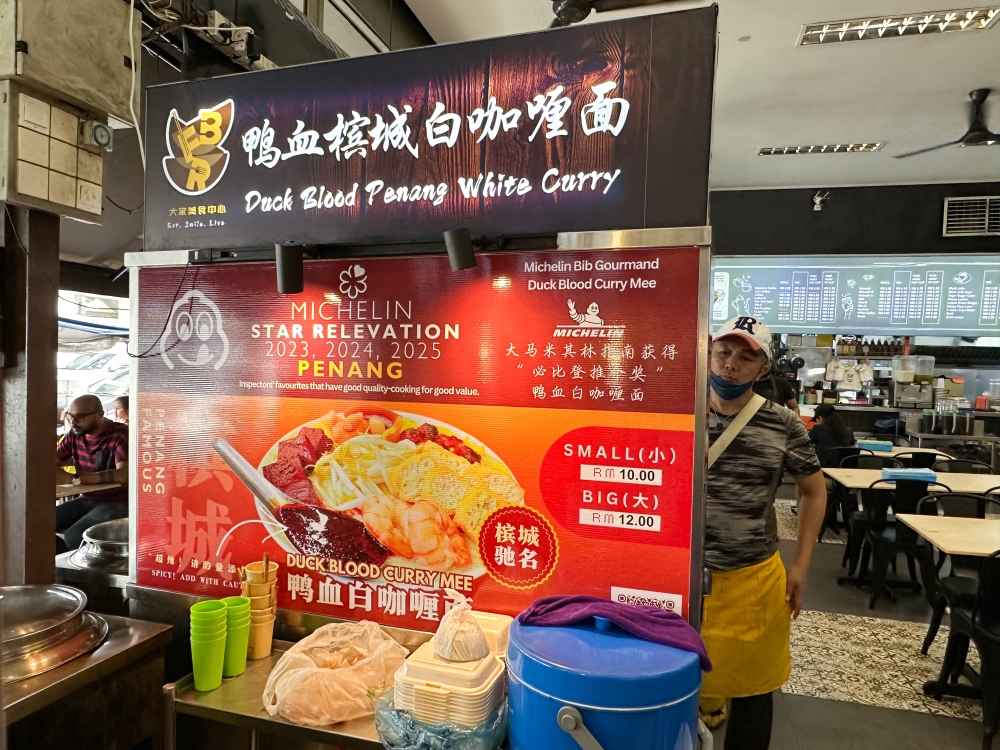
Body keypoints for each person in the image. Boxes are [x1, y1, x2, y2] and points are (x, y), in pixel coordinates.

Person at [700, 316, 827, 750]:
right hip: (676, 581)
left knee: (754, 692)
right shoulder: (677, 410)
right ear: (709, 352)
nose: (731, 363)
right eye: (724, 350)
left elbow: (814, 491)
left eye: (746, 355)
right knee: (672, 689)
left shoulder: (782, 424)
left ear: (764, 367)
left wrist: (802, 565)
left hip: (750, 580)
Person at [56, 394, 129, 551]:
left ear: (100, 415)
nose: (73, 422)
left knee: (73, 536)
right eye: (70, 416)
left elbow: (123, 474)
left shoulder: (120, 434)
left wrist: (76, 479)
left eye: (80, 417)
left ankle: (78, 569)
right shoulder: (75, 435)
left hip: (116, 502)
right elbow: (49, 461)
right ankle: (57, 568)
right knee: (37, 522)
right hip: (86, 499)